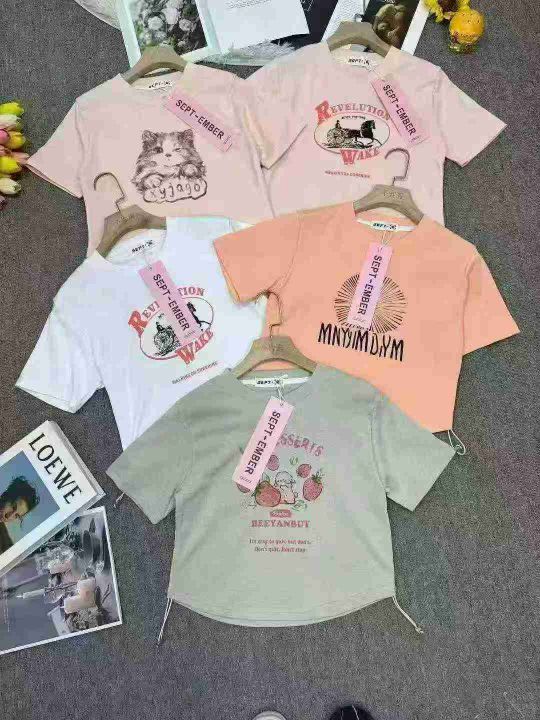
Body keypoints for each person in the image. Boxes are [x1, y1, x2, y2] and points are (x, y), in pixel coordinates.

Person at [0, 476, 39, 554]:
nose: (9, 516)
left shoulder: (5, 543)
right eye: (13, 507)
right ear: (5, 496)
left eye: (16, 515)